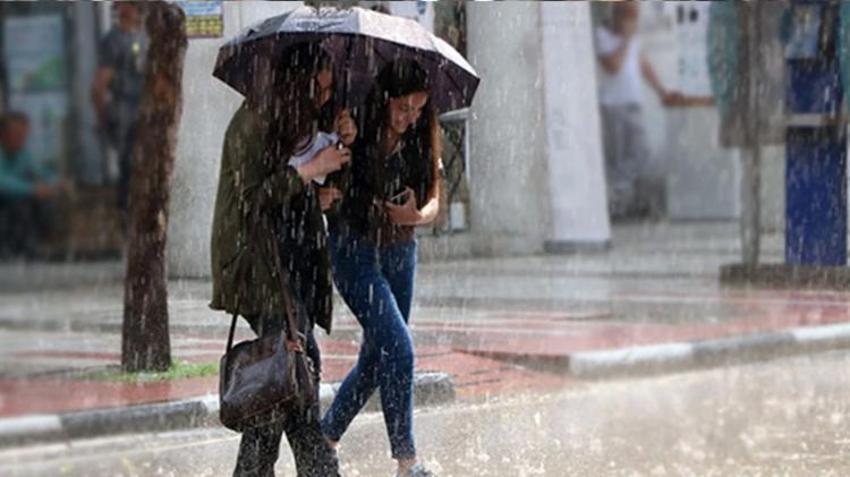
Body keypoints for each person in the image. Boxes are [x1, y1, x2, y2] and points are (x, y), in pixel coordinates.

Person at [210, 42, 353, 477]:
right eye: (318, 90)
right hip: (259, 266)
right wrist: (309, 171)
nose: (324, 99)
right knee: (292, 378)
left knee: (287, 381)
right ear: (295, 86)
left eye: (329, 90)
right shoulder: (252, 122)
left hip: (293, 265)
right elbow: (253, 200)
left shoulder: (299, 122)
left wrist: (332, 166)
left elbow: (290, 192)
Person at [321, 60, 442, 477]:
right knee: (399, 348)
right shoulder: (355, 124)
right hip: (353, 250)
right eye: (403, 107)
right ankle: (407, 462)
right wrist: (346, 141)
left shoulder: (422, 135)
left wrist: (417, 217)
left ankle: (325, 438)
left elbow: (435, 198)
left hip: (400, 250)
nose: (410, 118)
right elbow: (332, 179)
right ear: (386, 99)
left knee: (377, 358)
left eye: (418, 109)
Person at [595, 1, 682, 220]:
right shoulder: (602, 36)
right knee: (619, 155)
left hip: (632, 103)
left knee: (641, 150)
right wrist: (625, 40)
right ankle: (615, 201)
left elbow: (642, 65)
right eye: (630, 18)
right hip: (613, 105)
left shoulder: (633, 40)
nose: (633, 24)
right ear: (618, 17)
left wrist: (661, 91)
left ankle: (615, 188)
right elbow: (613, 67)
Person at [92, 1, 147, 223]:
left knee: (148, 167)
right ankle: (128, 218)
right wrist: (103, 118)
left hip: (147, 110)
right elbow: (100, 85)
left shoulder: (146, 37)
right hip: (125, 110)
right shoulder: (114, 40)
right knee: (129, 166)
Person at [0, 112, 66, 259]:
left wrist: (57, 183)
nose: (21, 139)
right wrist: (31, 189)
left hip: (17, 205)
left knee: (45, 203)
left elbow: (42, 172)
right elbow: (2, 182)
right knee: (21, 206)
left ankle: (38, 245)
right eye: (16, 134)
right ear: (2, 134)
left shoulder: (23, 154)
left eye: (23, 135)